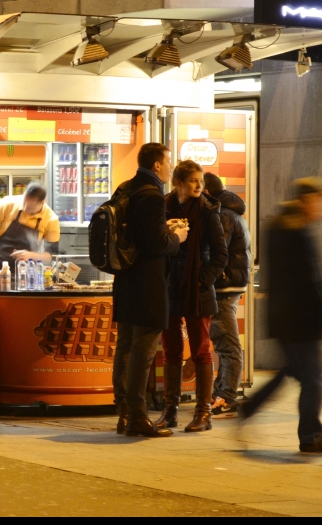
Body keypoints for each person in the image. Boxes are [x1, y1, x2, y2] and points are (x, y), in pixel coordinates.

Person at [239, 178, 322, 453]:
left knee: (294, 372)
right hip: (300, 320)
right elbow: (303, 282)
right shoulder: (294, 229)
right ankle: (311, 436)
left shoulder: (280, 226)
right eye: (319, 201)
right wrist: (319, 316)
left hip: (287, 319)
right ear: (305, 200)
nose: (321, 208)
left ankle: (251, 407)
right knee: (314, 378)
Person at [111, 143, 189, 438]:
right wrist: (177, 237)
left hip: (126, 279)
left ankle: (124, 413)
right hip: (148, 283)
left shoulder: (127, 188)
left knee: (126, 347)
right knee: (143, 351)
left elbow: (138, 235)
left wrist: (163, 230)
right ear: (157, 164)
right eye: (168, 161)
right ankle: (138, 417)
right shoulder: (153, 195)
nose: (171, 166)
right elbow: (156, 245)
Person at [154, 161, 227, 433]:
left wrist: (200, 279)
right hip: (169, 286)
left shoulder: (208, 211)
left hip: (197, 291)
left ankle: (203, 412)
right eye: (194, 181)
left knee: (201, 351)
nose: (199, 186)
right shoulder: (163, 207)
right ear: (179, 183)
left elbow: (221, 255)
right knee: (171, 351)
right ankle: (170, 411)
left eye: (201, 181)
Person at [203, 172, 251, 416]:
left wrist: (207, 278)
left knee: (227, 344)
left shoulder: (221, 215)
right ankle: (220, 393)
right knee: (224, 343)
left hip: (223, 287)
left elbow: (216, 253)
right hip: (230, 286)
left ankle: (226, 396)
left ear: (207, 192)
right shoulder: (232, 212)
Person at [0, 182, 60, 278]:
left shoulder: (51, 220)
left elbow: (51, 256)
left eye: (30, 208)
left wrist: (31, 255)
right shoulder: (8, 204)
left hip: (24, 273)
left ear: (43, 202)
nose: (25, 208)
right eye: (24, 203)